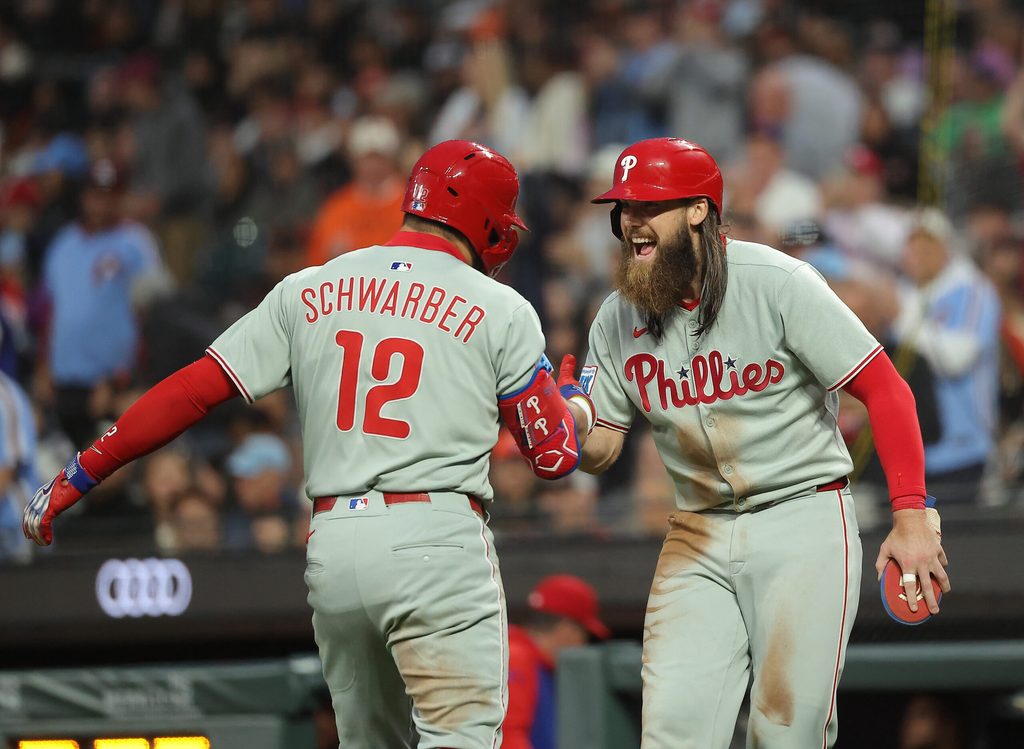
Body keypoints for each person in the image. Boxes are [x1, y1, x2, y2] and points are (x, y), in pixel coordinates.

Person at [23, 139, 596, 749]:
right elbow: (555, 457)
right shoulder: (500, 306)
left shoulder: (313, 284)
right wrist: (575, 406)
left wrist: (80, 473)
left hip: (335, 546)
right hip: (438, 542)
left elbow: (189, 391)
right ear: (488, 220)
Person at [572, 138, 949, 748]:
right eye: (622, 208)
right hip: (697, 530)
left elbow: (888, 392)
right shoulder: (617, 315)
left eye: (647, 205)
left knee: (788, 733)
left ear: (698, 210)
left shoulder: (777, 281)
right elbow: (602, 448)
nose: (630, 221)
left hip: (802, 518)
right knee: (672, 732)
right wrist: (570, 421)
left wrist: (911, 516)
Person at [40, 157, 170, 448]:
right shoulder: (63, 243)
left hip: (111, 386)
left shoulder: (135, 241)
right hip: (63, 383)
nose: (99, 204)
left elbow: (154, 317)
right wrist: (43, 367)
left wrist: (122, 379)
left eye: (107, 196)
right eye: (93, 194)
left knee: (109, 473)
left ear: (120, 198)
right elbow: (52, 312)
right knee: (64, 475)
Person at [892, 208, 1001, 502]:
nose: (916, 256)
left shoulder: (973, 290)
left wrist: (904, 317)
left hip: (963, 450)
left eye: (926, 247)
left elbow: (957, 359)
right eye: (911, 248)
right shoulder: (904, 294)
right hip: (915, 456)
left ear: (944, 248)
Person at [503, 574, 610, 749]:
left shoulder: (538, 662)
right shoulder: (515, 658)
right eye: (583, 634)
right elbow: (507, 737)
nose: (581, 643)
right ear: (567, 629)